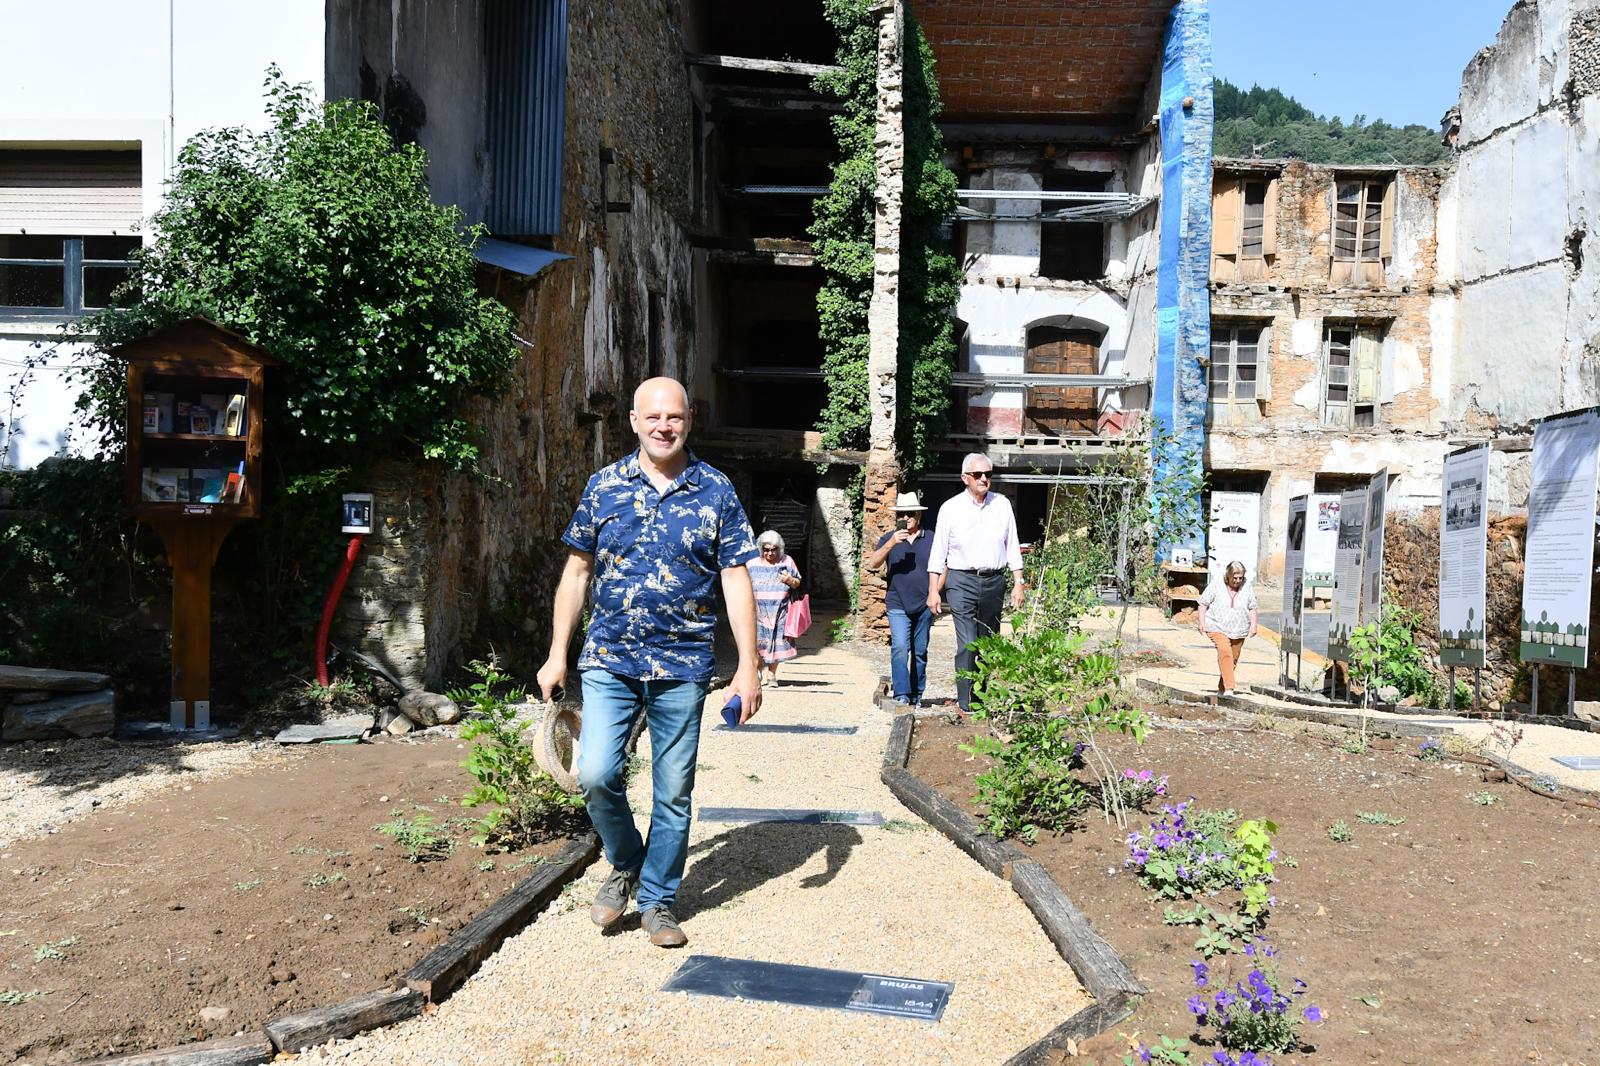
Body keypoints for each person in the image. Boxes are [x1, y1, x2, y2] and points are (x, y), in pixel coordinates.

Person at [536, 377, 761, 949]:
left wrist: (748, 666)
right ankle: (627, 861)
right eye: (653, 416)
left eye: (676, 417)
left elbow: (736, 578)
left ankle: (659, 901)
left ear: (689, 422)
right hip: (609, 659)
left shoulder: (715, 491)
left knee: (673, 790)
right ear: (633, 421)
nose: (665, 426)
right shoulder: (604, 486)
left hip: (683, 665)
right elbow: (577, 573)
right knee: (596, 773)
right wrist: (557, 653)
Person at [926, 454, 1025, 713]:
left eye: (988, 475)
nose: (984, 479)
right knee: (969, 641)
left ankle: (982, 696)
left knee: (989, 642)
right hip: (961, 580)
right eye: (979, 475)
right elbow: (939, 552)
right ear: (965, 478)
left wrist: (1018, 582)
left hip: (994, 580)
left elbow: (1012, 544)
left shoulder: (1002, 505)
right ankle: (966, 701)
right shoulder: (950, 508)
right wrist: (933, 591)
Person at [864, 491, 935, 706]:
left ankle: (917, 693)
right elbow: (872, 563)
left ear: (919, 515)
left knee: (920, 650)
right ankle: (902, 693)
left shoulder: (932, 538)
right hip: (897, 602)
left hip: (924, 603)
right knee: (900, 647)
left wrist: (935, 592)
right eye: (902, 514)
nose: (907, 518)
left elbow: (944, 566)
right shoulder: (889, 538)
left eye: (911, 513)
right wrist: (890, 544)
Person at [1197, 560, 1258, 697]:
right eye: (1234, 578)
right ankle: (1230, 688)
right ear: (1228, 576)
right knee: (1225, 651)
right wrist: (1201, 622)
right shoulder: (1217, 584)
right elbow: (1202, 603)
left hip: (1239, 628)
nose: (1237, 581)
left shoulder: (1247, 586)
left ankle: (1222, 688)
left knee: (1232, 659)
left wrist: (1253, 625)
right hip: (1216, 625)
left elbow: (1253, 607)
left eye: (1240, 578)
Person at [749, 530, 802, 686]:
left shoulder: (787, 561)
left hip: (780, 610)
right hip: (757, 611)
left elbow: (798, 582)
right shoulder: (752, 564)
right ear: (761, 548)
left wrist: (790, 580)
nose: (770, 553)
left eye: (774, 549)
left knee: (776, 641)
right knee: (756, 643)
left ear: (780, 549)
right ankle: (757, 670)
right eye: (766, 549)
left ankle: (771, 675)